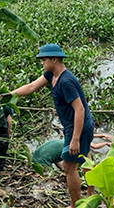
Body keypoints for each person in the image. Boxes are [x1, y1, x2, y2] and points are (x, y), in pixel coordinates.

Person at [9, 44, 93, 208]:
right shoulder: (50, 75)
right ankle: (90, 193)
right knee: (85, 158)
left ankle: (75, 204)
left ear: (54, 60)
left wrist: (75, 139)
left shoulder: (66, 81)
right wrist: (9, 95)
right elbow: (31, 87)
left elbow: (80, 110)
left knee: (69, 166)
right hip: (71, 125)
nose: (42, 63)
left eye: (44, 60)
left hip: (79, 125)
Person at [32, 134, 114, 169]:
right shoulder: (71, 149)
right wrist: (106, 143)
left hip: (35, 157)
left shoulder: (72, 137)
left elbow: (55, 159)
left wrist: (102, 135)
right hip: (43, 162)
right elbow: (94, 146)